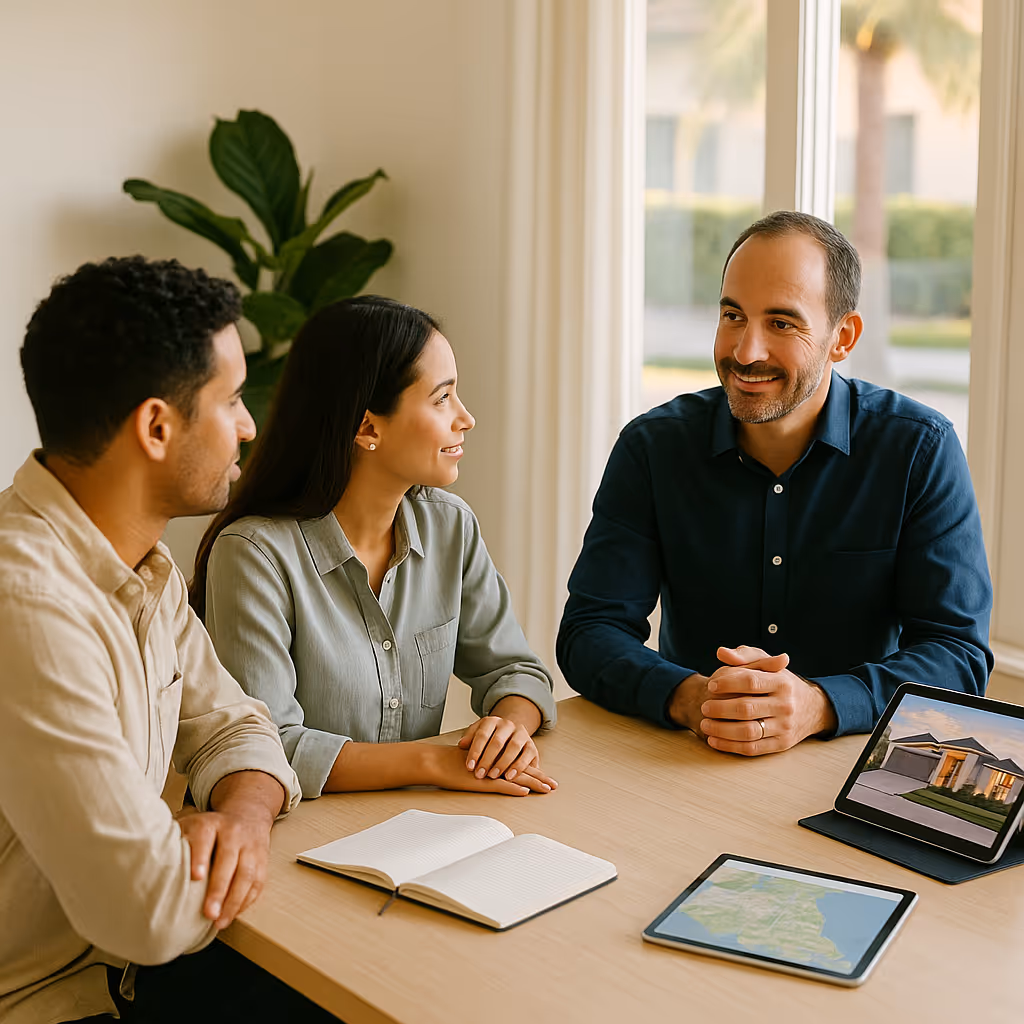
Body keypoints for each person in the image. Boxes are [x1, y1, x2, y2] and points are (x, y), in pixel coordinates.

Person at [0, 256, 337, 1023]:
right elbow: (149, 915)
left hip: (127, 974)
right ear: (157, 426)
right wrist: (185, 843)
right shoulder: (26, 605)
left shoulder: (137, 567)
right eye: (232, 400)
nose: (251, 425)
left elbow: (242, 727)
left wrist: (240, 821)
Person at [557, 211, 993, 756]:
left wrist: (819, 703)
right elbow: (589, 632)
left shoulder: (919, 448)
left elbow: (958, 654)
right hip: (690, 753)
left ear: (843, 337)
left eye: (782, 323)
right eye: (733, 315)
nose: (746, 352)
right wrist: (692, 698)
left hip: (847, 762)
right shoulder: (653, 448)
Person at [191, 296, 557, 800]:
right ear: (367, 427)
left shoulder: (450, 527)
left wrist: (509, 728)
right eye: (441, 398)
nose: (466, 418)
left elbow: (515, 671)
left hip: (419, 826)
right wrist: (434, 761)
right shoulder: (254, 555)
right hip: (300, 837)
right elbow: (266, 746)